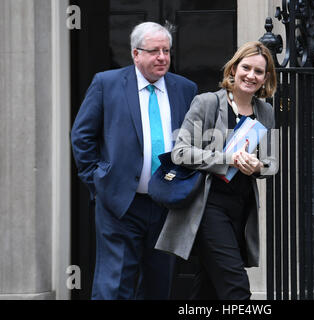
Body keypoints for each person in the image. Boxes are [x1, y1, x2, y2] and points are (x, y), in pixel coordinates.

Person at [70, 22, 198, 299]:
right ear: (135, 53)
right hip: (120, 202)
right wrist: (98, 180)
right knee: (114, 286)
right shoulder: (107, 83)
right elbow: (82, 136)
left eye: (166, 50)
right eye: (154, 51)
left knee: (158, 284)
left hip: (167, 204)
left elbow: (195, 142)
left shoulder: (185, 89)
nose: (162, 57)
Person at [155, 41, 278, 299]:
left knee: (208, 289)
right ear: (233, 69)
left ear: (266, 78)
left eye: (258, 72)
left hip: (241, 210)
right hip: (208, 207)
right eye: (246, 68)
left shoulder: (265, 111)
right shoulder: (207, 103)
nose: (251, 76)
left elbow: (272, 163)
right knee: (236, 288)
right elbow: (180, 152)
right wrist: (228, 159)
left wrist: (258, 166)